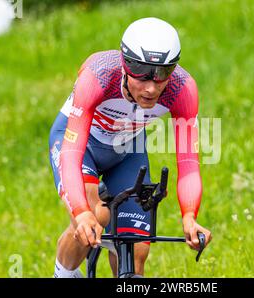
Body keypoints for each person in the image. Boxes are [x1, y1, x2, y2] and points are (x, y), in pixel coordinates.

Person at [49, 17, 212, 278]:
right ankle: (64, 273)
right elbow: (71, 155)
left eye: (162, 74)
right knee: (95, 216)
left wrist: (190, 216)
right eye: (142, 73)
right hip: (81, 144)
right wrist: (80, 213)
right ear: (126, 64)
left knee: (136, 250)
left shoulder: (182, 89)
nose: (151, 87)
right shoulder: (98, 76)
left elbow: (189, 164)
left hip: (128, 149)